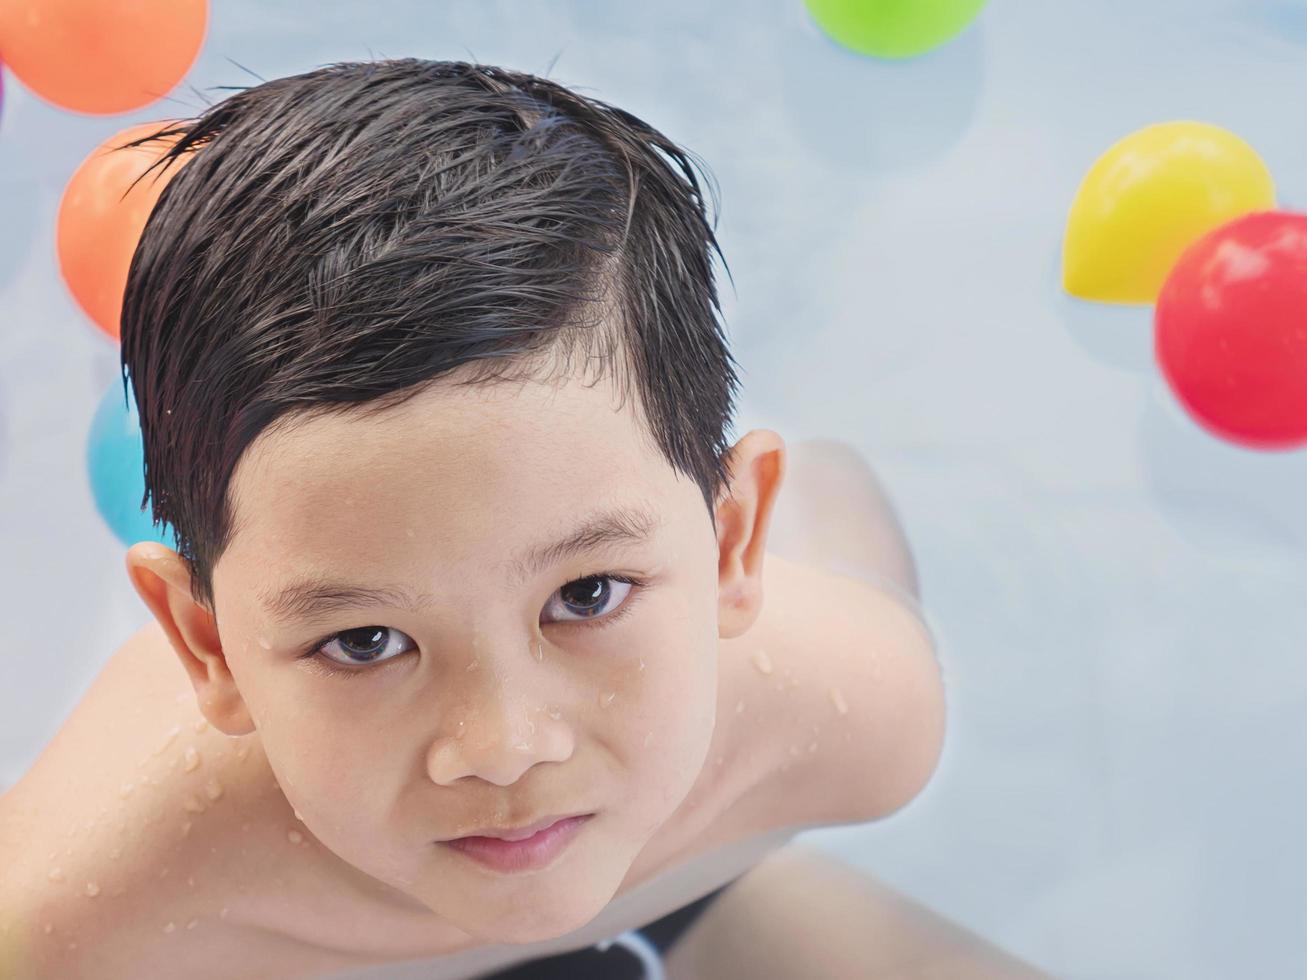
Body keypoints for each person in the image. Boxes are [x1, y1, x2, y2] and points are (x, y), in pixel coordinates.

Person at [0, 58, 1044, 978]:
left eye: (585, 594)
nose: (499, 747)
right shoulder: (80, 915)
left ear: (732, 542)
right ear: (207, 641)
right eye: (364, 641)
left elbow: (843, 529)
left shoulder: (855, 715)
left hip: (679, 882)